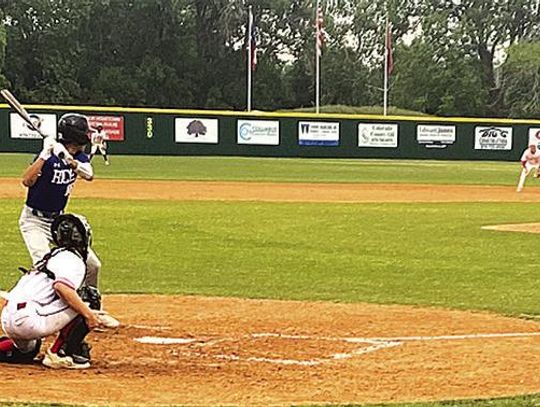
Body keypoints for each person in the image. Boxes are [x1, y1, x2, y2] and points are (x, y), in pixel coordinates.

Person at [18, 113, 118, 328]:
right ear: (74, 135)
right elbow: (27, 180)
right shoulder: (49, 154)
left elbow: (89, 174)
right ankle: (45, 312)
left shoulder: (78, 156)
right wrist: (45, 154)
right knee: (46, 267)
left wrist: (69, 160)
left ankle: (92, 309)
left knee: (92, 265)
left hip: (59, 224)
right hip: (34, 221)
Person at [0, 214, 102, 369]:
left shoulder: (50, 257)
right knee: (89, 297)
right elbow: (62, 288)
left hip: (8, 318)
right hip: (28, 320)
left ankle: (8, 347)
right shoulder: (72, 259)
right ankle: (60, 354)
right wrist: (89, 314)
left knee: (28, 351)